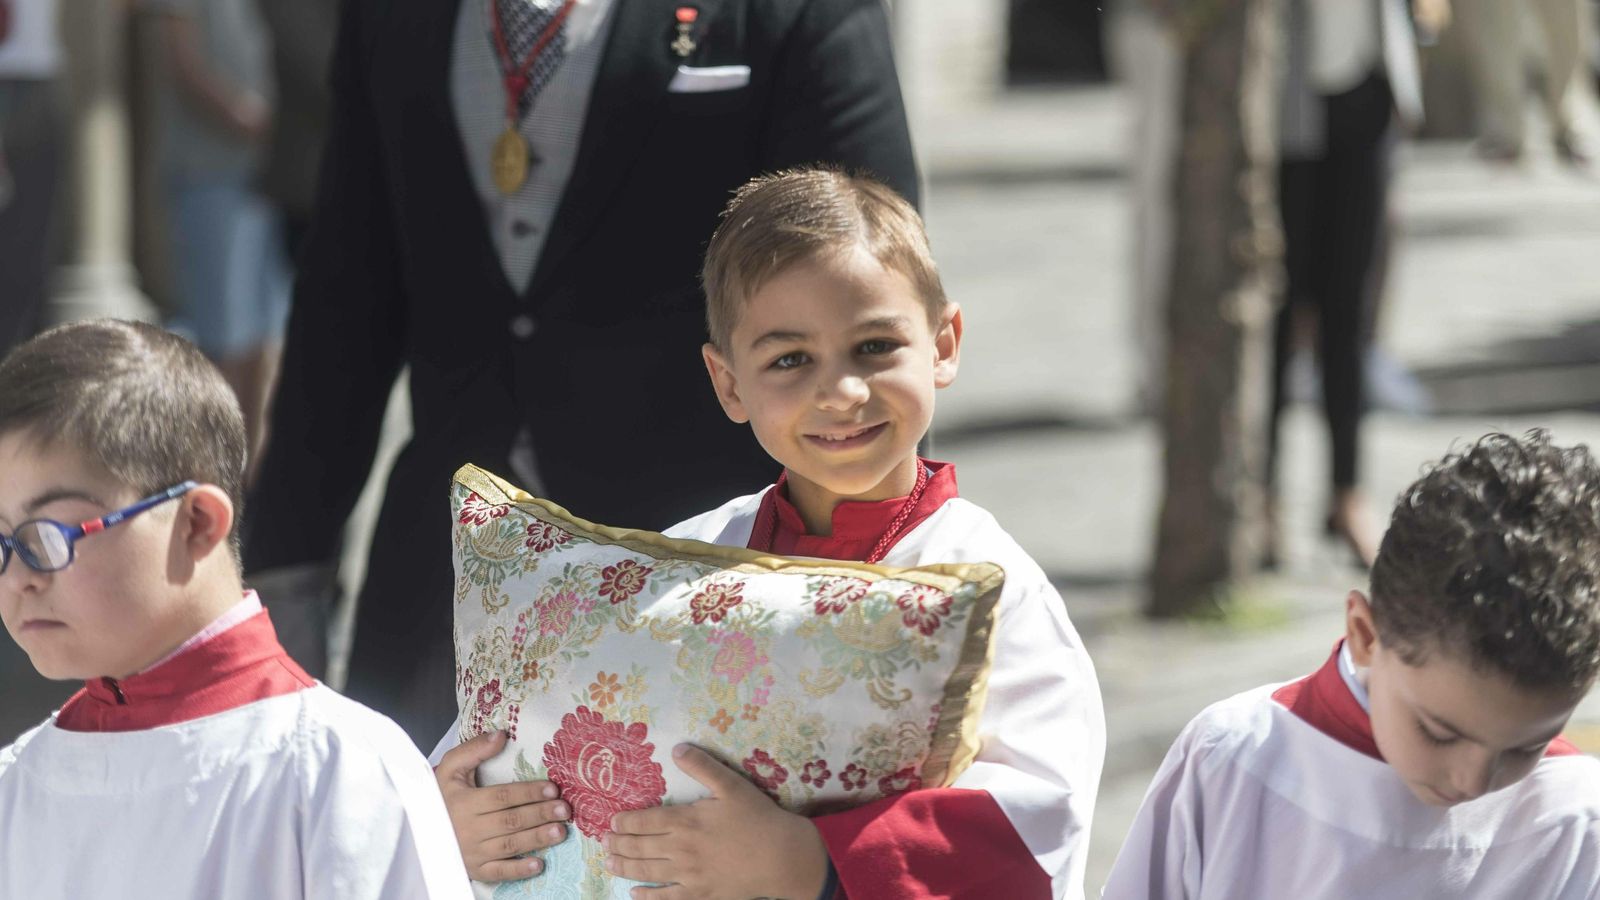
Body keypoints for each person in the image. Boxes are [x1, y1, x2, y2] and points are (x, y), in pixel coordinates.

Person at [243, 0, 920, 743]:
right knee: (418, 814)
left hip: (707, 577)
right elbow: (345, 297)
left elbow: (870, 294)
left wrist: (862, 580)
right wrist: (286, 570)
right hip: (446, 576)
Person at [430, 169, 1107, 898]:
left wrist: (815, 863)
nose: (841, 393)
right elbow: (516, 728)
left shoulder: (990, 586)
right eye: (790, 360)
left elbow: (1037, 826)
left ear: (943, 344)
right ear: (728, 383)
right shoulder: (679, 564)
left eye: (875, 346)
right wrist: (449, 822)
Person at [0, 320, 472, 899]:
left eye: (50, 534)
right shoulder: (16, 783)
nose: (18, 578)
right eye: (2, 541)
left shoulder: (340, 770)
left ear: (197, 523)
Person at [1104, 429, 1600, 898]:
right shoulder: (1235, 756)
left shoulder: (1576, 815)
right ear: (1365, 634)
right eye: (1438, 733)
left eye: (1524, 748)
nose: (1474, 781)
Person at [1268, 0, 1425, 569]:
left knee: (1352, 306)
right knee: (1276, 306)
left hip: (1369, 79)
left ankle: (1347, 492)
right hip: (1284, 92)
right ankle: (1261, 498)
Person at [146, 0, 290, 475]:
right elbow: (181, 61)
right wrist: (250, 119)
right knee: (220, 344)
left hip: (273, 175)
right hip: (209, 174)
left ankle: (250, 481)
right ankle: (208, 477)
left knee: (265, 341)